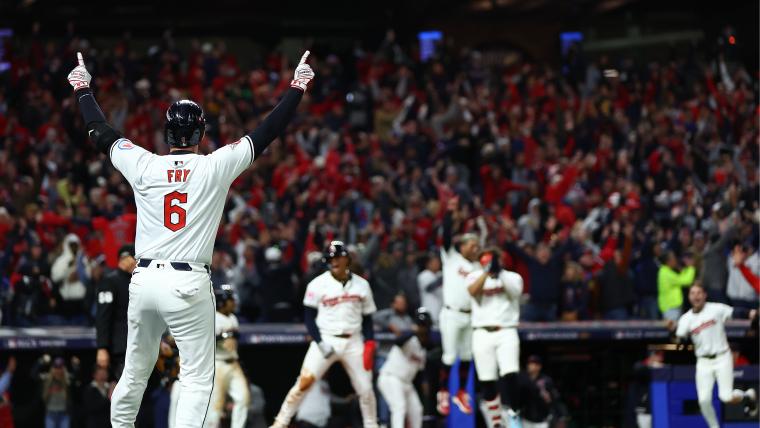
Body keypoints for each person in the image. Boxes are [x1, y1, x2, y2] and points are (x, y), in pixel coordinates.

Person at [67, 49, 315, 428]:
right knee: (198, 377)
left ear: (167, 131)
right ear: (200, 132)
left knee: (134, 372)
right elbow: (267, 131)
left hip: (144, 279)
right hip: (187, 282)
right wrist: (297, 86)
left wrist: (83, 88)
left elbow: (99, 132)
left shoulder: (144, 163)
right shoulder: (214, 166)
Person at [269, 241, 378, 428]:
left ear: (347, 259)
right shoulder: (317, 284)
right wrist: (320, 342)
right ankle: (280, 423)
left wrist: (369, 342)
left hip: (353, 341)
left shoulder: (362, 285)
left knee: (366, 389)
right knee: (303, 384)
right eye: (330, 259)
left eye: (337, 257)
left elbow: (367, 318)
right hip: (326, 339)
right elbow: (309, 319)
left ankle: (371, 425)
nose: (333, 262)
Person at [665, 283, 758, 427]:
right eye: (693, 293)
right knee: (703, 401)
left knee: (725, 397)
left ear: (704, 295)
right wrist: (671, 331)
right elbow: (679, 340)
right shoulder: (685, 319)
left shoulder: (715, 309)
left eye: (699, 293)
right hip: (703, 362)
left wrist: (753, 313)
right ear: (689, 297)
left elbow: (736, 312)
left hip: (722, 357)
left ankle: (747, 395)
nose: (696, 296)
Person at [466, 248, 523, 428]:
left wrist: (499, 273)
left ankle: (514, 414)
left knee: (510, 374)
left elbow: (515, 293)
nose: (488, 264)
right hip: (481, 332)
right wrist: (486, 273)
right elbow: (473, 292)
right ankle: (496, 420)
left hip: (506, 330)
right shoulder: (474, 276)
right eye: (485, 261)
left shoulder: (513, 277)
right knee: (487, 380)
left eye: (491, 260)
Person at [438, 197, 480, 416]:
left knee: (466, 356)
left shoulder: (477, 267)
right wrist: (449, 213)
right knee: (448, 356)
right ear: (462, 246)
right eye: (471, 245)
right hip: (452, 313)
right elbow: (445, 235)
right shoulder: (451, 257)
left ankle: (461, 392)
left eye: (476, 246)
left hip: (469, 315)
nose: (474, 248)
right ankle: (443, 393)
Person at [377, 307, 432, 428]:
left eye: (425, 326)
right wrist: (415, 330)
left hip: (406, 383)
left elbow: (421, 371)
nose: (423, 329)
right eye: (422, 326)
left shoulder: (423, 348)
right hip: (391, 377)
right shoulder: (409, 338)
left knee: (417, 410)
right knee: (399, 408)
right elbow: (398, 341)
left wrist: (424, 383)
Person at [206, 284, 250, 428]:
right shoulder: (211, 317)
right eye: (230, 299)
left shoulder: (233, 318)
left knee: (243, 398)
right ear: (221, 302)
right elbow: (205, 341)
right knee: (216, 406)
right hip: (217, 364)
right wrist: (222, 336)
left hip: (233, 363)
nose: (234, 302)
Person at [95, 245, 135, 379]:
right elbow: (103, 316)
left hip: (139, 345)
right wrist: (102, 347)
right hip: (121, 348)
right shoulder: (109, 281)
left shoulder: (138, 280)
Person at [520, 355, 563, 428]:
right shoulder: (523, 379)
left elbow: (554, 398)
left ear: (539, 366)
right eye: (529, 363)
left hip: (542, 420)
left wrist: (560, 415)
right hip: (525, 419)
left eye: (533, 363)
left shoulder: (546, 380)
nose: (530, 366)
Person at [657, 251, 695, 321]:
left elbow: (680, 278)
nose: (676, 260)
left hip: (672, 307)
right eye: (674, 258)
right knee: (674, 331)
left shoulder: (666, 271)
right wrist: (691, 267)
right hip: (671, 308)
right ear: (668, 261)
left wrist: (685, 270)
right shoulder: (666, 273)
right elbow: (686, 281)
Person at [417, 253, 443, 327]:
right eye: (434, 263)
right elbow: (430, 287)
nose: (437, 264)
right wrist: (445, 275)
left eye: (438, 262)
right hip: (429, 310)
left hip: (441, 310)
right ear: (428, 264)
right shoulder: (424, 275)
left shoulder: (439, 274)